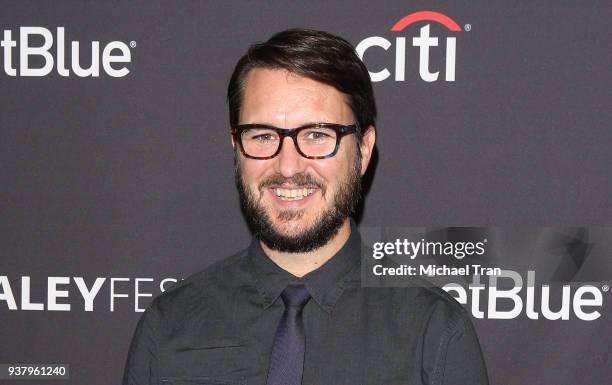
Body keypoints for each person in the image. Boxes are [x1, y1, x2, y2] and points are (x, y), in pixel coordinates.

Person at [122, 28, 488, 385]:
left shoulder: (433, 333)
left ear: (362, 150)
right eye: (263, 136)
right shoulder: (170, 323)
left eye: (316, 135)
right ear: (236, 146)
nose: (288, 167)